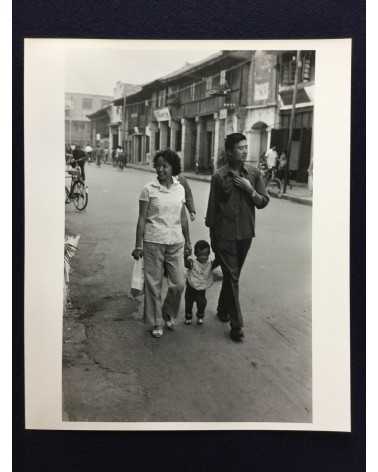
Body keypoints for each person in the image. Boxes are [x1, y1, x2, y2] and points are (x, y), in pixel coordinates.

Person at [205, 133, 269, 342]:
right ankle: (237, 324)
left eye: (245, 147)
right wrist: (213, 240)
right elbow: (212, 210)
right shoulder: (219, 176)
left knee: (233, 276)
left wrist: (250, 190)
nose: (244, 150)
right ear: (230, 151)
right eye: (240, 148)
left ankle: (223, 309)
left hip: (245, 235)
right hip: (224, 236)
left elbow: (262, 202)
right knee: (232, 277)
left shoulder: (253, 174)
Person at [132, 149, 192, 339]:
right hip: (153, 241)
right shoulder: (148, 189)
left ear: (173, 167)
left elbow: (183, 217)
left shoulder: (180, 188)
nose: (160, 170)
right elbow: (141, 219)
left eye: (164, 166)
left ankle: (168, 312)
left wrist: (188, 241)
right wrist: (138, 245)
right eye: (158, 166)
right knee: (153, 284)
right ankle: (156, 321)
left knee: (179, 284)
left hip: (176, 242)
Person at [184, 240, 217, 326]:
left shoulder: (209, 264)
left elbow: (217, 262)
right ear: (195, 254)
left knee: (202, 302)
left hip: (201, 288)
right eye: (201, 255)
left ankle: (200, 315)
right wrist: (186, 255)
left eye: (206, 255)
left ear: (209, 254)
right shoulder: (192, 262)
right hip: (190, 287)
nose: (203, 257)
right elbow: (187, 264)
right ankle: (188, 316)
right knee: (188, 302)